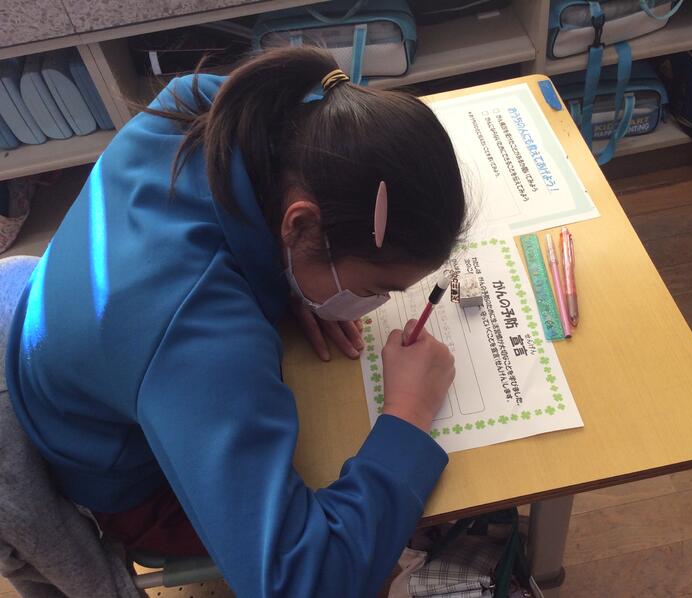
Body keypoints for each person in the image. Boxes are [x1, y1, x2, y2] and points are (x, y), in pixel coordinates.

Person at [4, 46, 467, 597]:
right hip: (126, 480)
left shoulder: (216, 109)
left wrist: (290, 275)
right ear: (299, 226)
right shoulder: (197, 336)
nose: (374, 304)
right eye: (372, 290)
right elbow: (298, 584)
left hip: (72, 347)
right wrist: (408, 413)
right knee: (355, 496)